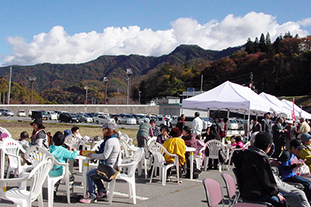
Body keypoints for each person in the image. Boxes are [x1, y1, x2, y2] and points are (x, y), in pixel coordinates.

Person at [234, 132, 287, 207]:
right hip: (257, 193)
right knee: (282, 202)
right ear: (268, 146)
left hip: (245, 191)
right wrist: (277, 194)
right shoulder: (261, 158)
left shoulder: (245, 154)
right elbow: (268, 182)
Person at [80, 122, 120, 203]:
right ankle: (102, 191)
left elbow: (105, 156)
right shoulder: (115, 139)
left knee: (89, 174)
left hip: (109, 169)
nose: (103, 132)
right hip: (113, 167)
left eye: (104, 130)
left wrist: (92, 155)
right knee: (94, 174)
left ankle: (92, 195)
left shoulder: (110, 141)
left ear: (108, 130)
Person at [49, 131, 78, 195]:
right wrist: (75, 151)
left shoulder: (50, 148)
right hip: (60, 170)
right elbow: (72, 156)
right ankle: (70, 192)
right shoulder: (62, 150)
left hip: (50, 171)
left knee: (55, 180)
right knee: (71, 177)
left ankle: (53, 191)